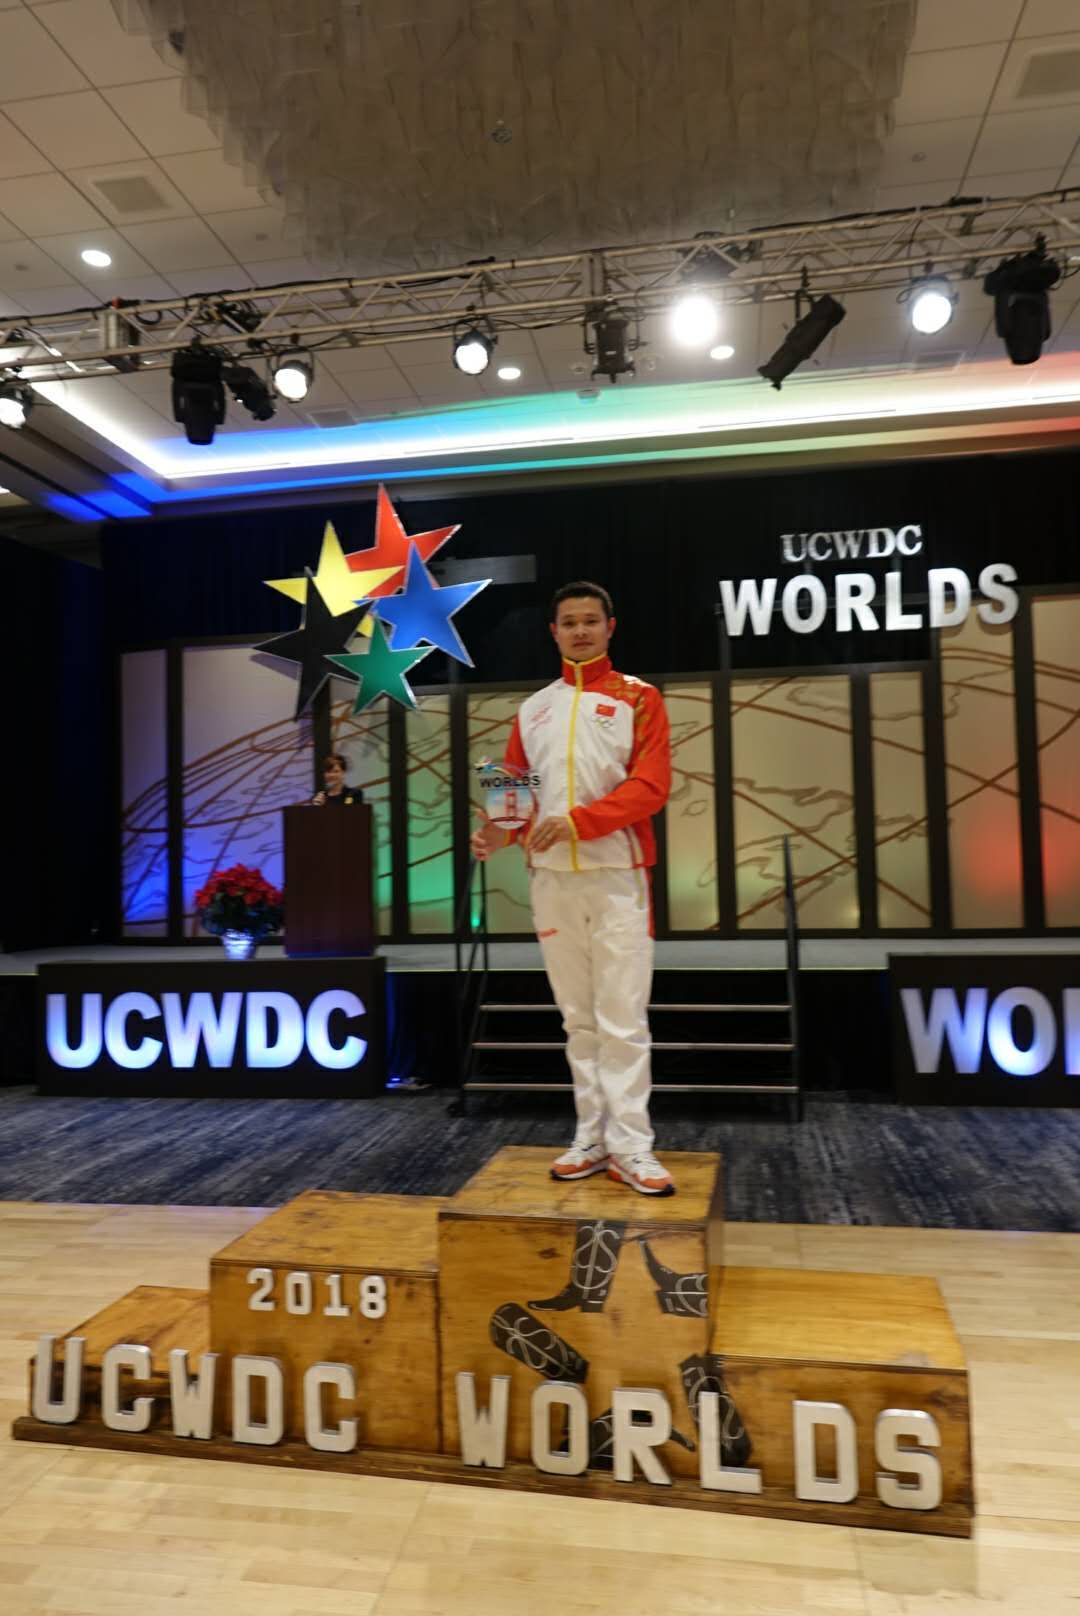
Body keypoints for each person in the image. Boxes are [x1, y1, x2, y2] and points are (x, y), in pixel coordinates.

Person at [471, 581, 675, 1196]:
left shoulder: (640, 697)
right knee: (579, 1020)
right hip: (551, 881)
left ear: (610, 627)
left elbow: (651, 786)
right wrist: (496, 834)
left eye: (590, 621)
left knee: (622, 1018)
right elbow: (514, 795)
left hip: (618, 877)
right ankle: (590, 1138)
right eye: (569, 622)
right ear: (553, 632)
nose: (580, 631)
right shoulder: (533, 709)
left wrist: (579, 823)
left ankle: (632, 1146)